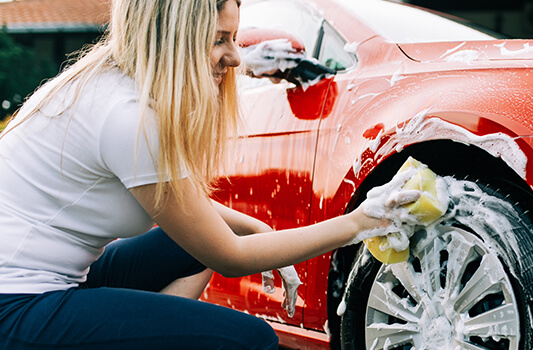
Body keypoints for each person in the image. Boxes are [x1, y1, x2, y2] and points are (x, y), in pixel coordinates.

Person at [0, 0, 414, 348]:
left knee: (190, 248)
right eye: (219, 39)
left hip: (59, 281)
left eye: (234, 38)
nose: (234, 57)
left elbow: (184, 208)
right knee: (252, 340)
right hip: (16, 305)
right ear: (172, 39)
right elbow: (228, 258)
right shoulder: (128, 117)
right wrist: (362, 222)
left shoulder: (113, 86)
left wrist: (254, 227)